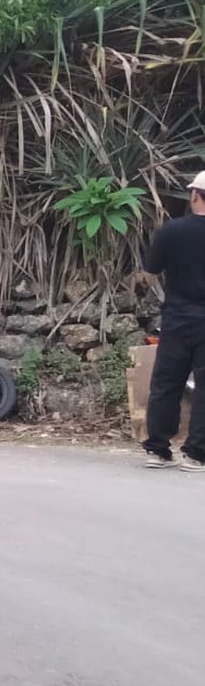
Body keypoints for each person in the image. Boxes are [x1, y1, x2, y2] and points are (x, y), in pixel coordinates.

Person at [143, 170, 205, 470]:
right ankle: (195, 454)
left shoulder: (171, 230)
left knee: (167, 383)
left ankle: (157, 450)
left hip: (178, 317)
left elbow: (150, 271)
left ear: (195, 195)